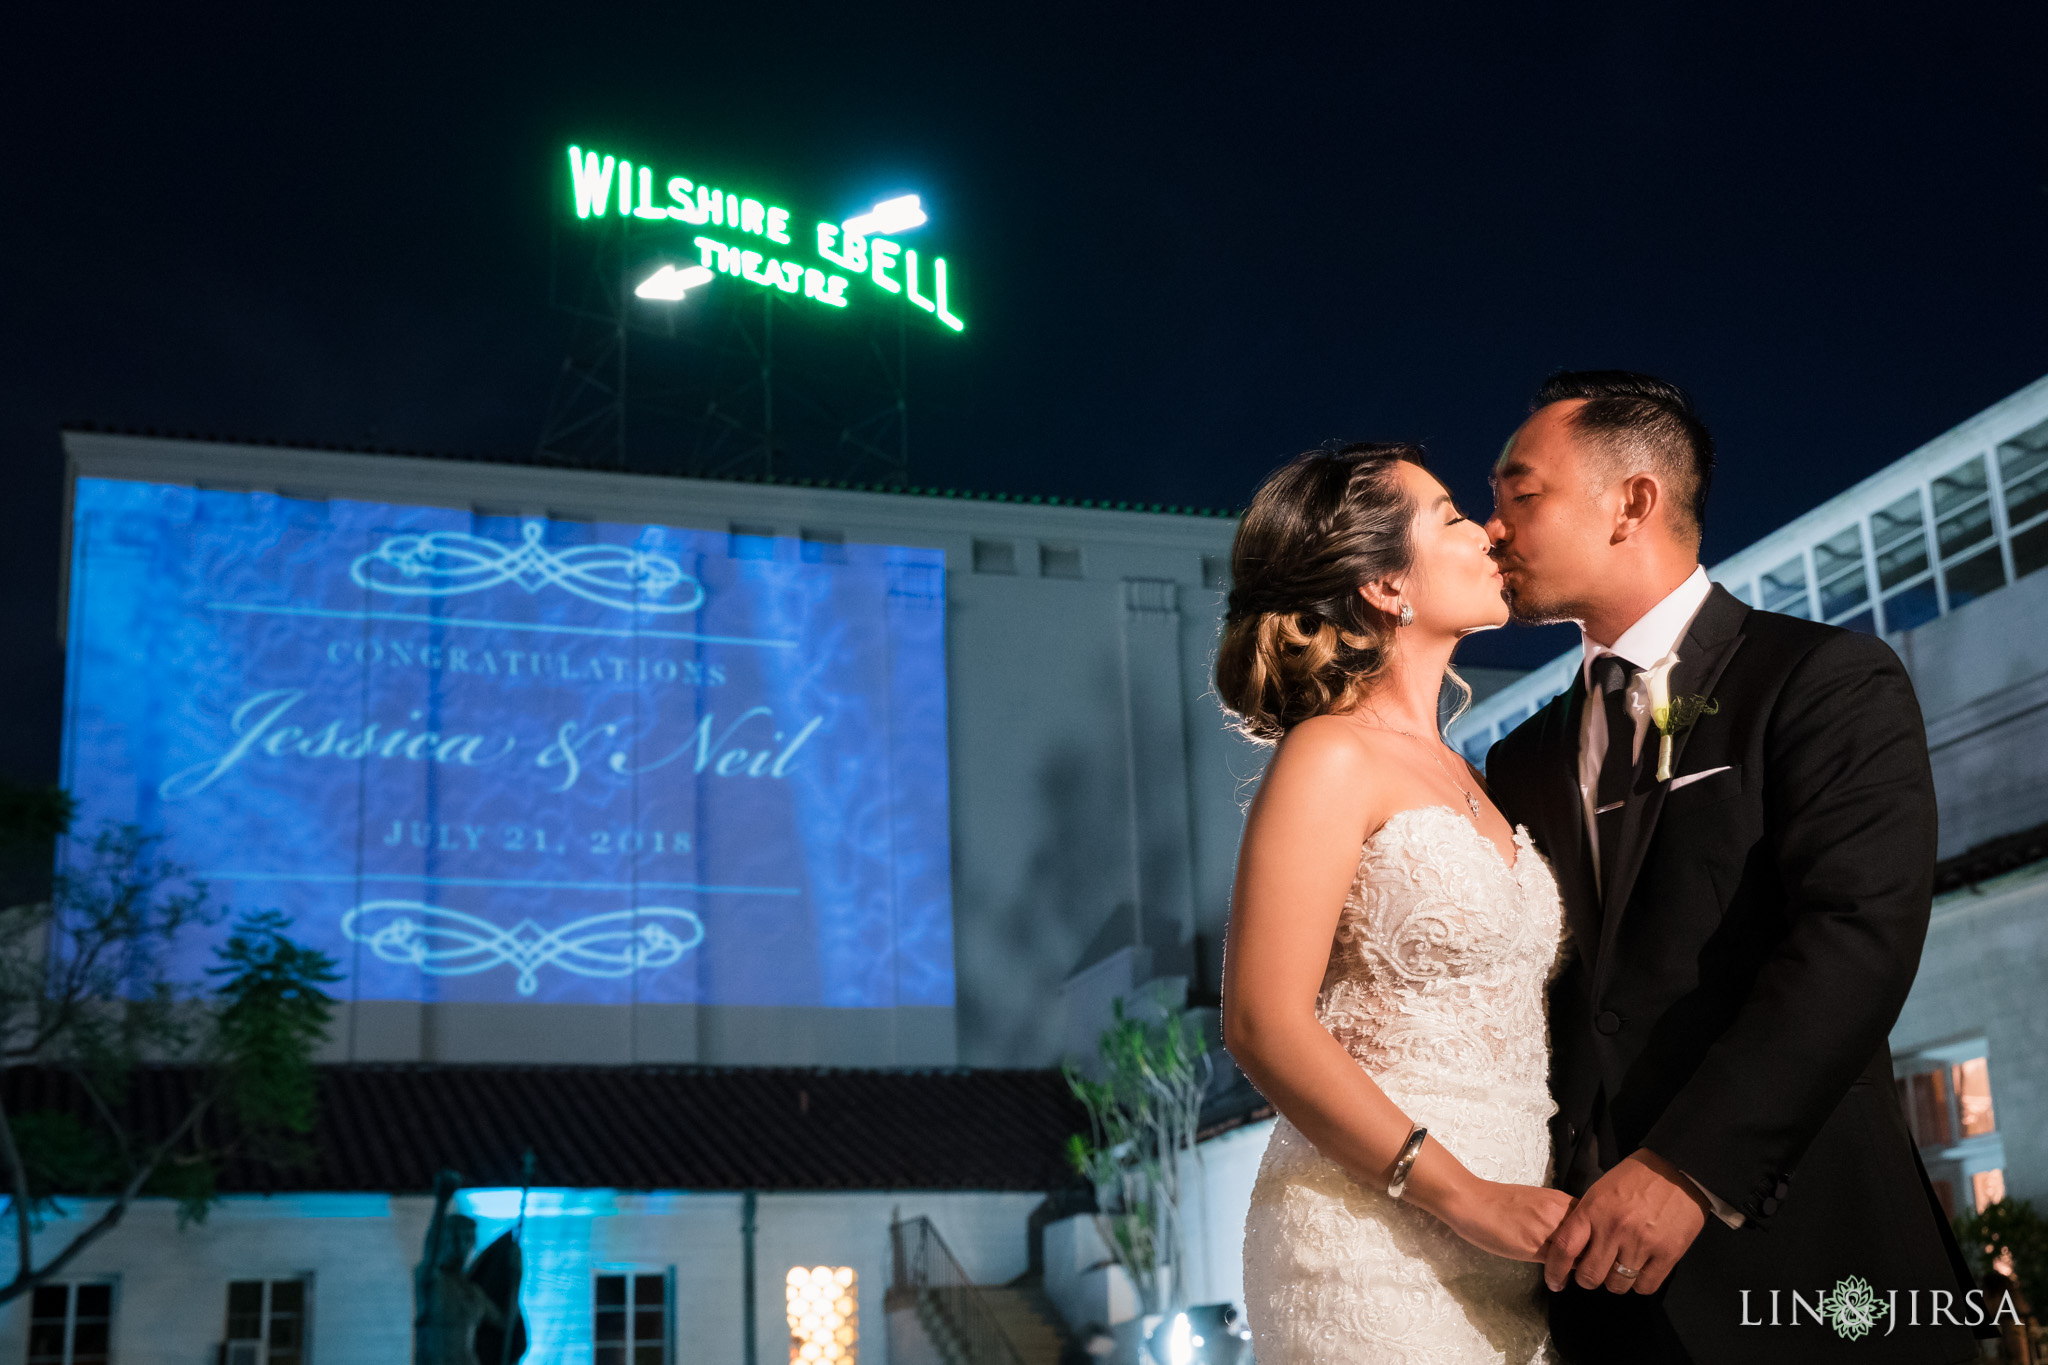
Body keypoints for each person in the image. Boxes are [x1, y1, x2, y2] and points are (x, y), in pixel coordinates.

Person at [1483, 370, 1982, 1363]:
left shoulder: (1817, 680)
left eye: (1518, 494)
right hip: (1592, 1294)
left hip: (1809, 1264)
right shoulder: (1520, 759)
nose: (1491, 529)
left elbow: (1856, 937)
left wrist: (1684, 1169)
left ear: (1632, 500)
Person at [1225, 442, 1571, 1364]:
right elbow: (1263, 1020)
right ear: (1385, 583)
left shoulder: (1476, 775)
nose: (1489, 530)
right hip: (1368, 1241)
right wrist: (1467, 1193)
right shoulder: (1329, 755)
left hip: (1516, 1254)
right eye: (1455, 515)